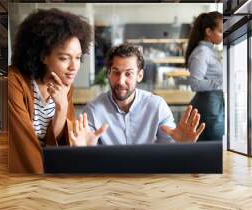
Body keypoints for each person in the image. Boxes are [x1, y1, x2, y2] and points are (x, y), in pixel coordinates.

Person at [8, 9, 105, 173]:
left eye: (78, 57)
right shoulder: (14, 81)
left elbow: (57, 144)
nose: (74, 67)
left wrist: (61, 108)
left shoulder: (66, 87)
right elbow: (23, 145)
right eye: (64, 58)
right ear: (43, 56)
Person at [69, 43, 205, 146]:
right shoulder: (94, 110)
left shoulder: (156, 106)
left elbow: (171, 150)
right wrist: (83, 150)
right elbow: (85, 146)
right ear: (108, 74)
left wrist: (184, 146)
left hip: (149, 179)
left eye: (128, 74)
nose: (121, 81)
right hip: (109, 179)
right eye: (116, 72)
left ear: (139, 75)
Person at [185, 11, 224, 141]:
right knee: (214, 145)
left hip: (214, 104)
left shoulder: (209, 51)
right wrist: (222, 82)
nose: (223, 35)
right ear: (208, 31)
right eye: (220, 31)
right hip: (208, 106)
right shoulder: (202, 52)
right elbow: (195, 84)